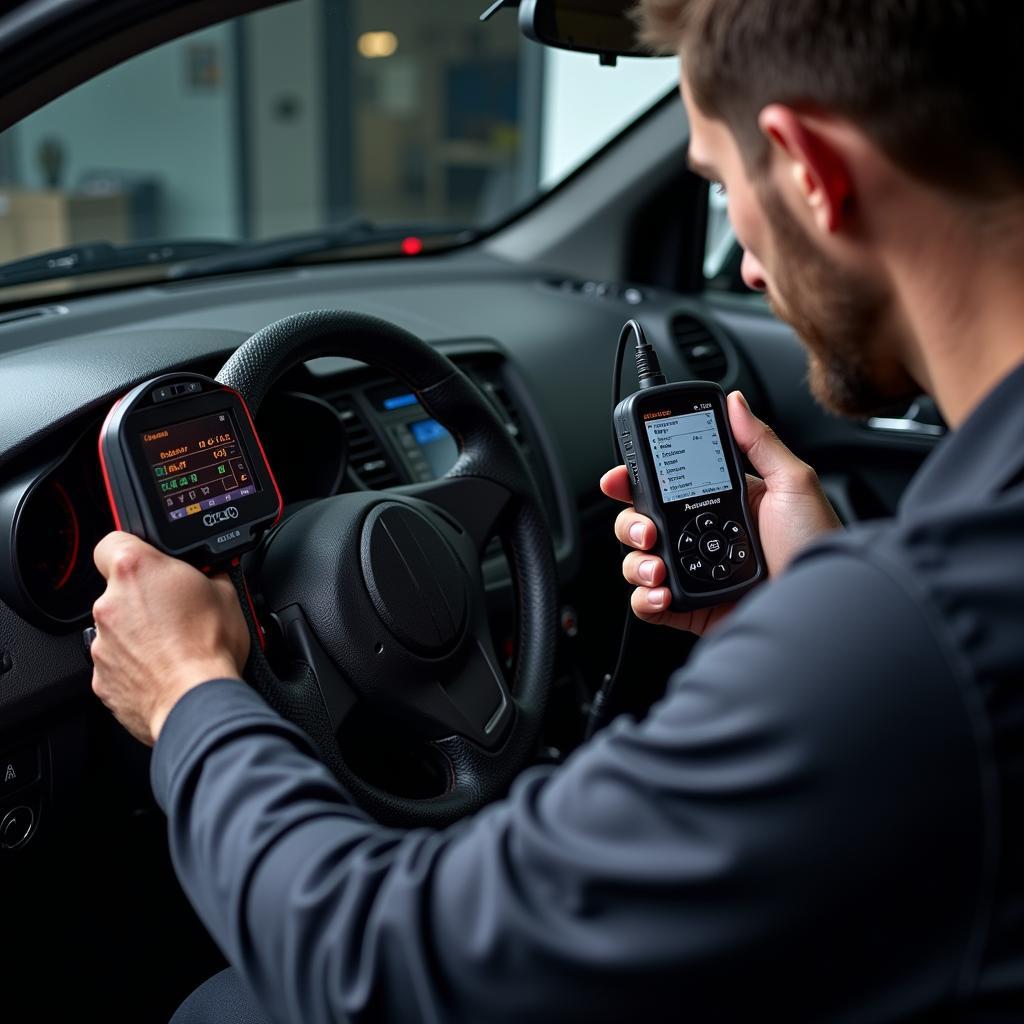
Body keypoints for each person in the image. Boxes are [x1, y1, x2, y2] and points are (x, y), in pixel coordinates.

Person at [90, 1, 1024, 1020]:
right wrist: (797, 614)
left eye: (717, 190)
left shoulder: (916, 634)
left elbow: (378, 968)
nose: (748, 268)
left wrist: (187, 691)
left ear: (807, 168)